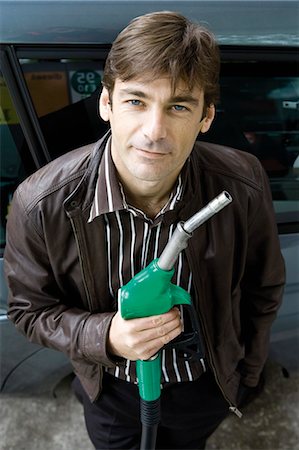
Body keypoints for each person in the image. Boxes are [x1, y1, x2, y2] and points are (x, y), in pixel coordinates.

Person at [4, 11, 285, 450]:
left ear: (206, 116)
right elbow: (29, 312)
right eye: (136, 101)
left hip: (204, 389)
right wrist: (106, 336)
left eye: (178, 106)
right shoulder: (39, 203)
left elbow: (262, 287)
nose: (154, 132)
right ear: (105, 103)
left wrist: (243, 375)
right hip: (113, 395)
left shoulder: (242, 182)